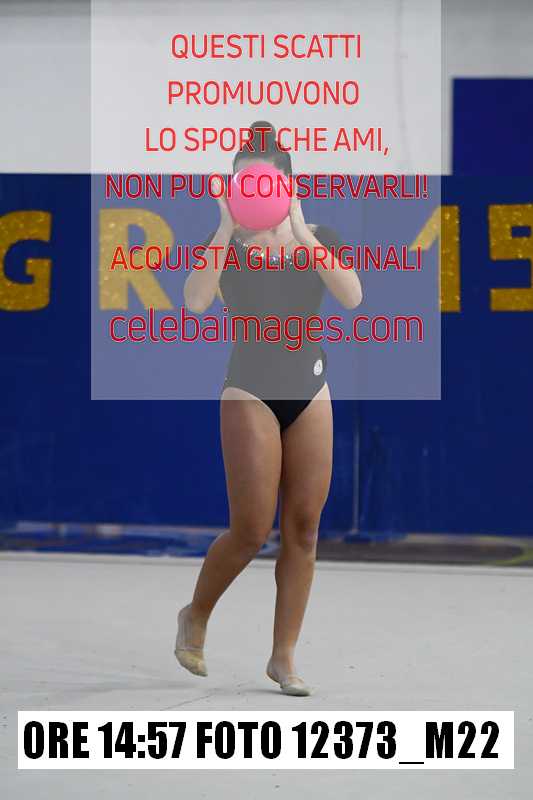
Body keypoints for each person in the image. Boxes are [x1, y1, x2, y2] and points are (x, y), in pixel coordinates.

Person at [176, 121, 363, 695]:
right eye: (242, 181)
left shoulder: (319, 236)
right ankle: (196, 614)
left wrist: (302, 232)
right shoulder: (227, 246)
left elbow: (352, 296)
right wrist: (223, 228)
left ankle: (283, 657)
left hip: (310, 388)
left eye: (262, 181)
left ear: (286, 184)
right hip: (250, 389)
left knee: (304, 527)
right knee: (251, 529)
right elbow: (194, 302)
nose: (252, 189)